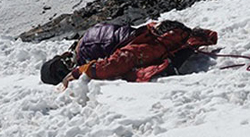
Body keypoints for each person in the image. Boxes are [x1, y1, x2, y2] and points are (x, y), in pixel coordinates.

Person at [40, 20, 218, 87]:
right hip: (142, 38)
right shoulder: (85, 41)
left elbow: (118, 63)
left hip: (141, 42)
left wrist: (82, 71)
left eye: (61, 70)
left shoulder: (85, 51)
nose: (67, 71)